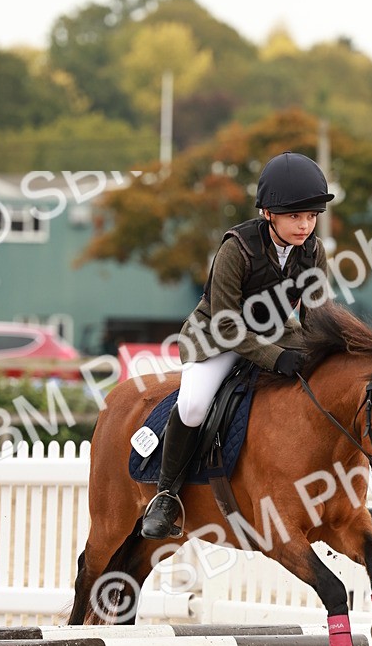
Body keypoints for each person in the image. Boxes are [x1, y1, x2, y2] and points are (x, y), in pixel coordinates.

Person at [140, 150, 333, 539]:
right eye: (295, 216)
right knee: (194, 406)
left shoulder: (312, 251)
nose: (305, 226)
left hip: (276, 332)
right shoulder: (237, 248)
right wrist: (277, 358)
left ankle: (341, 494)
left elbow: (318, 315)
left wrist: (324, 353)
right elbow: (228, 325)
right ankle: (166, 494)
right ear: (268, 214)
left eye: (311, 217)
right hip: (215, 337)